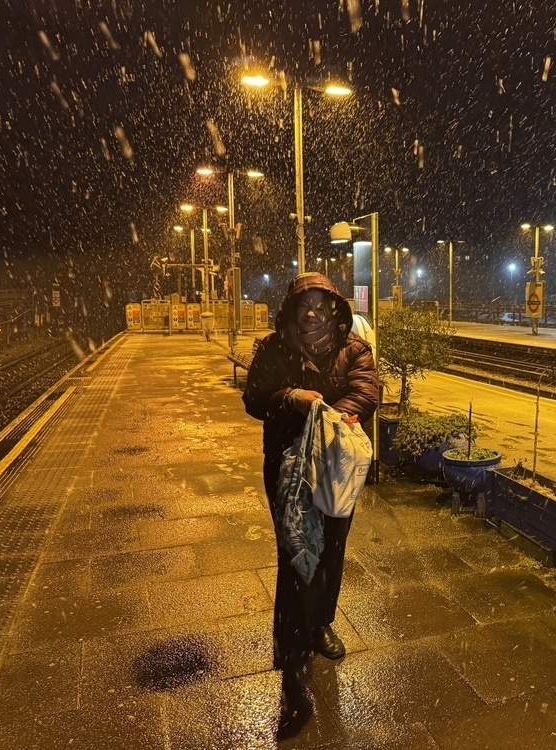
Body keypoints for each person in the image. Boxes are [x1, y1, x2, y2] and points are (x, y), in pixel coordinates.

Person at [242, 272, 378, 734]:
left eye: (321, 305)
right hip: (286, 470)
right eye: (305, 306)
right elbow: (255, 398)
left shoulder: (354, 348)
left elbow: (367, 389)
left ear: (335, 309)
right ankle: (293, 657)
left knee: (332, 551)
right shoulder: (275, 348)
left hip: (336, 469)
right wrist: (290, 397)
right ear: (293, 312)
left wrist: (339, 414)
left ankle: (321, 623)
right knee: (296, 555)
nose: (313, 313)